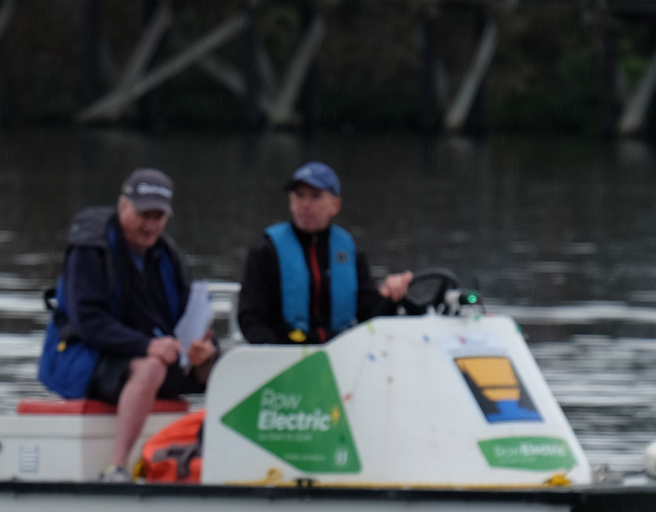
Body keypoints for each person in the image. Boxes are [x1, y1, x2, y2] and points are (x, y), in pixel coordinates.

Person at [40, 168, 217, 482]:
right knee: (151, 368)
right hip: (80, 355)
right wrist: (149, 346)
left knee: (220, 366)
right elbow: (88, 323)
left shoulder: (167, 255)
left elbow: (186, 315)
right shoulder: (90, 249)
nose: (150, 225)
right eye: (143, 214)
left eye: (158, 217)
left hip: (132, 352)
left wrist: (204, 349)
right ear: (122, 207)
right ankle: (116, 467)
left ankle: (212, 461)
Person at [237, 161, 413, 345]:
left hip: (340, 354)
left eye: (315, 196)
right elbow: (251, 317)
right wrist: (274, 354)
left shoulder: (349, 251)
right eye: (299, 195)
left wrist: (388, 297)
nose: (305, 204)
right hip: (284, 353)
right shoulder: (266, 250)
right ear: (291, 201)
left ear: (335, 205)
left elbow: (369, 316)